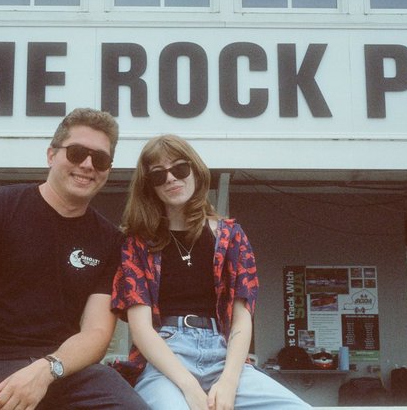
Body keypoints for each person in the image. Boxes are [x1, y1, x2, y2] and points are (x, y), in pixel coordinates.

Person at [0, 108, 148, 410]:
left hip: (63, 368)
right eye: (76, 153)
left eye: (100, 159)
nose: (87, 165)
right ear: (51, 155)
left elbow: (97, 332)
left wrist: (47, 369)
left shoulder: (110, 240)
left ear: (108, 170)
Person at [111, 134, 311, 410]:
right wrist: (190, 387)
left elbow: (242, 319)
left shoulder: (230, 236)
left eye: (179, 168)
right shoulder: (138, 243)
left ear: (195, 170)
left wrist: (229, 382)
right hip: (166, 359)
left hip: (222, 355)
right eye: (158, 175)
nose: (170, 179)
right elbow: (141, 328)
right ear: (150, 187)